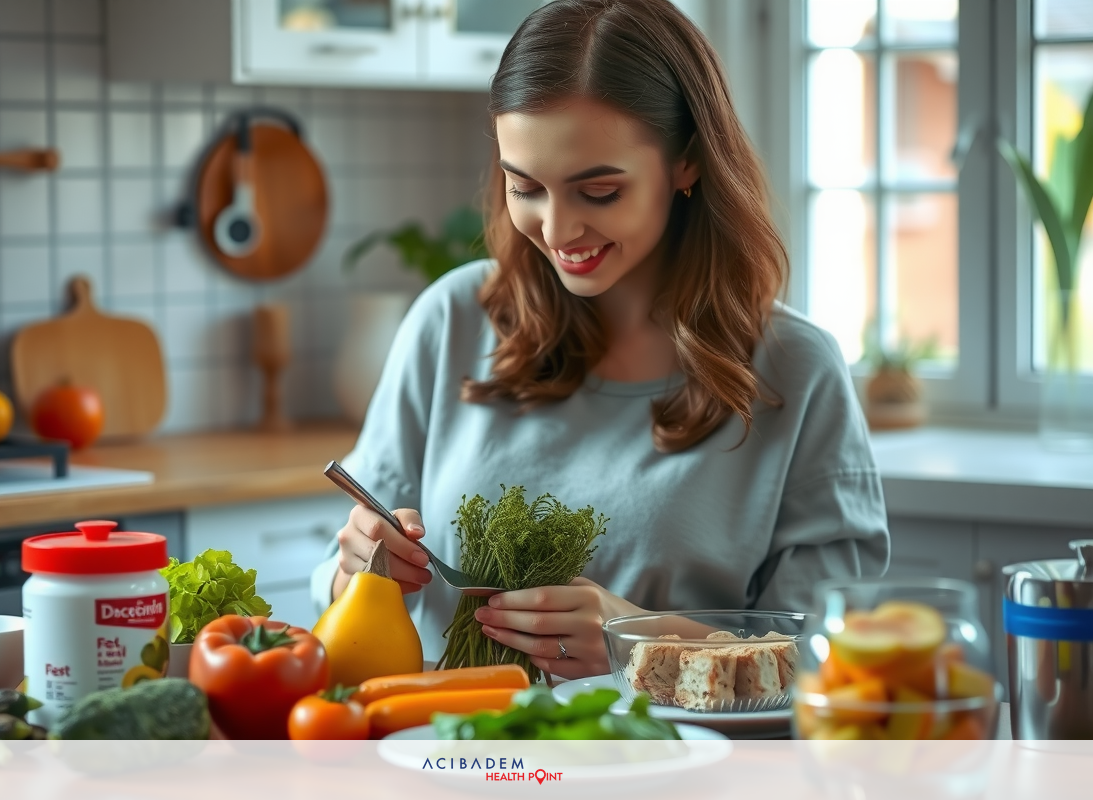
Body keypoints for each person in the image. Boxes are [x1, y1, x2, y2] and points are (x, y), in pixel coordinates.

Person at [310, 0, 889, 680]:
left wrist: (639, 641)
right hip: (457, 767)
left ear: (688, 163)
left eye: (600, 191)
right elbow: (335, 591)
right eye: (526, 187)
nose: (558, 231)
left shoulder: (795, 369)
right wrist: (355, 571)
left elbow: (834, 667)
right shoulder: (451, 320)